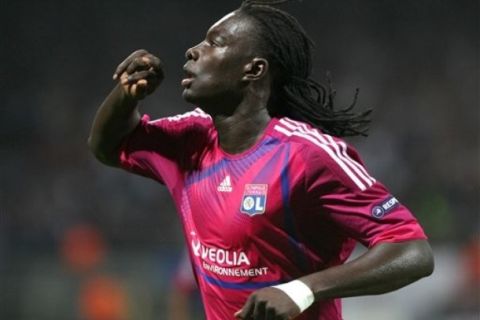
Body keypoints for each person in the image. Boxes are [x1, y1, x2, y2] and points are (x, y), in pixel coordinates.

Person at [88, 1, 434, 319]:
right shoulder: (189, 140)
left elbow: (412, 251)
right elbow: (107, 147)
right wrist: (125, 96)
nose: (193, 51)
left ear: (253, 70)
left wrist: (303, 290)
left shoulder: (306, 154)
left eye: (215, 42)